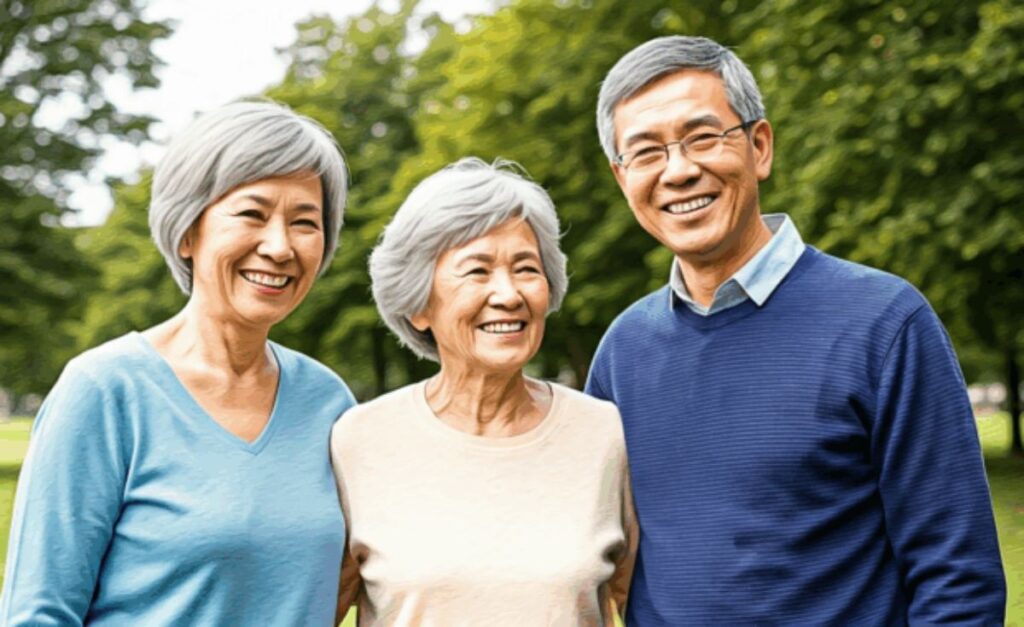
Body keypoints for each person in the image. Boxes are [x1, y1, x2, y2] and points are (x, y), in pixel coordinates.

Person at [586, 35, 1006, 625]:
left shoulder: (886, 323)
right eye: (647, 153)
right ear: (622, 178)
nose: (679, 171)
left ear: (760, 146)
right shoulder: (621, 352)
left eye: (703, 137)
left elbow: (959, 582)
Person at [0, 101, 356, 625]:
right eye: (252, 214)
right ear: (188, 232)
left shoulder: (328, 402)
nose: (280, 246)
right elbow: (39, 612)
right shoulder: (104, 390)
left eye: (305, 221)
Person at [330, 158, 637, 625]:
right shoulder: (359, 439)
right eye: (477, 271)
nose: (509, 294)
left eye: (526, 268)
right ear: (418, 306)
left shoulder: (604, 432)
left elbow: (642, 603)